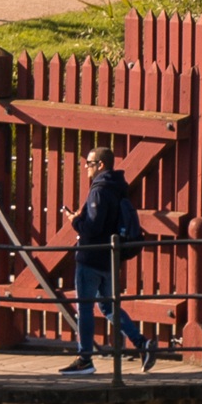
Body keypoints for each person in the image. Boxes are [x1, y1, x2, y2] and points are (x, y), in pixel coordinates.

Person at [61, 136, 150, 377]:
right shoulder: (119, 188)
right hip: (110, 259)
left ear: (101, 165)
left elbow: (92, 227)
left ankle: (84, 358)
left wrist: (75, 221)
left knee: (85, 308)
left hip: (90, 258)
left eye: (89, 163)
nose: (86, 167)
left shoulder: (99, 190)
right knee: (109, 307)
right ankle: (141, 343)